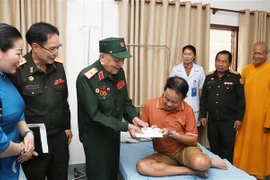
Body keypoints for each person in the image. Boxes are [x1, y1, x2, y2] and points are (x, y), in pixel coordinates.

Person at [76, 37, 148, 180]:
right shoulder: (87, 78)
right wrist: (126, 126)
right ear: (102, 57)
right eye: (116, 60)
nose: (120, 64)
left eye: (123, 60)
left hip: (113, 135)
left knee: (112, 174)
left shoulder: (119, 73)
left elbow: (125, 102)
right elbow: (95, 115)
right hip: (96, 138)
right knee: (99, 176)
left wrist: (134, 118)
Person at [9, 22, 72, 180]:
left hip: (58, 138)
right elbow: (14, 110)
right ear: (35, 47)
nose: (56, 53)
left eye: (58, 47)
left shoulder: (58, 67)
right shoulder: (18, 70)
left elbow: (63, 99)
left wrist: (67, 126)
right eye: (52, 49)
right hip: (33, 139)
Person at [136, 76, 228, 178]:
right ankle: (189, 170)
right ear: (164, 91)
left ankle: (208, 161)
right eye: (166, 98)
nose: (169, 104)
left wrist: (172, 134)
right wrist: (150, 130)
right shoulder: (150, 105)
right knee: (142, 166)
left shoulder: (188, 110)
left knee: (201, 163)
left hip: (185, 150)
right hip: (163, 153)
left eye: (174, 102)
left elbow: (193, 140)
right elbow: (142, 129)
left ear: (184, 98)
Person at [0, 23, 36, 179]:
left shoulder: (6, 77)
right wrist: (24, 149)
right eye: (18, 53)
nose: (22, 59)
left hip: (12, 165)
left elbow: (14, 111)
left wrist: (27, 133)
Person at [199, 50, 245, 163]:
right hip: (213, 120)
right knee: (214, 149)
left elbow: (241, 99)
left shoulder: (235, 77)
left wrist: (239, 118)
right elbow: (204, 97)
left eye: (224, 61)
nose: (220, 64)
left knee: (227, 150)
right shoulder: (209, 77)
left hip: (229, 121)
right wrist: (203, 115)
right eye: (218, 61)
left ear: (229, 63)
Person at [233, 41, 270, 180]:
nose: (256, 56)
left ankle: (259, 175)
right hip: (246, 117)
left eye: (260, 53)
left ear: (266, 54)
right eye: (254, 52)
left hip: (262, 119)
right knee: (243, 145)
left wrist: (268, 121)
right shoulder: (246, 70)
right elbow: (240, 95)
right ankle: (243, 173)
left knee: (259, 149)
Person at [170, 45, 205, 126]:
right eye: (185, 54)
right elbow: (170, 87)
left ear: (194, 56)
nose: (187, 57)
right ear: (182, 55)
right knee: (178, 128)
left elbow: (201, 89)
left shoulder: (199, 69)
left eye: (190, 54)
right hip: (178, 104)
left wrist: (203, 110)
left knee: (192, 130)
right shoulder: (176, 69)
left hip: (194, 105)